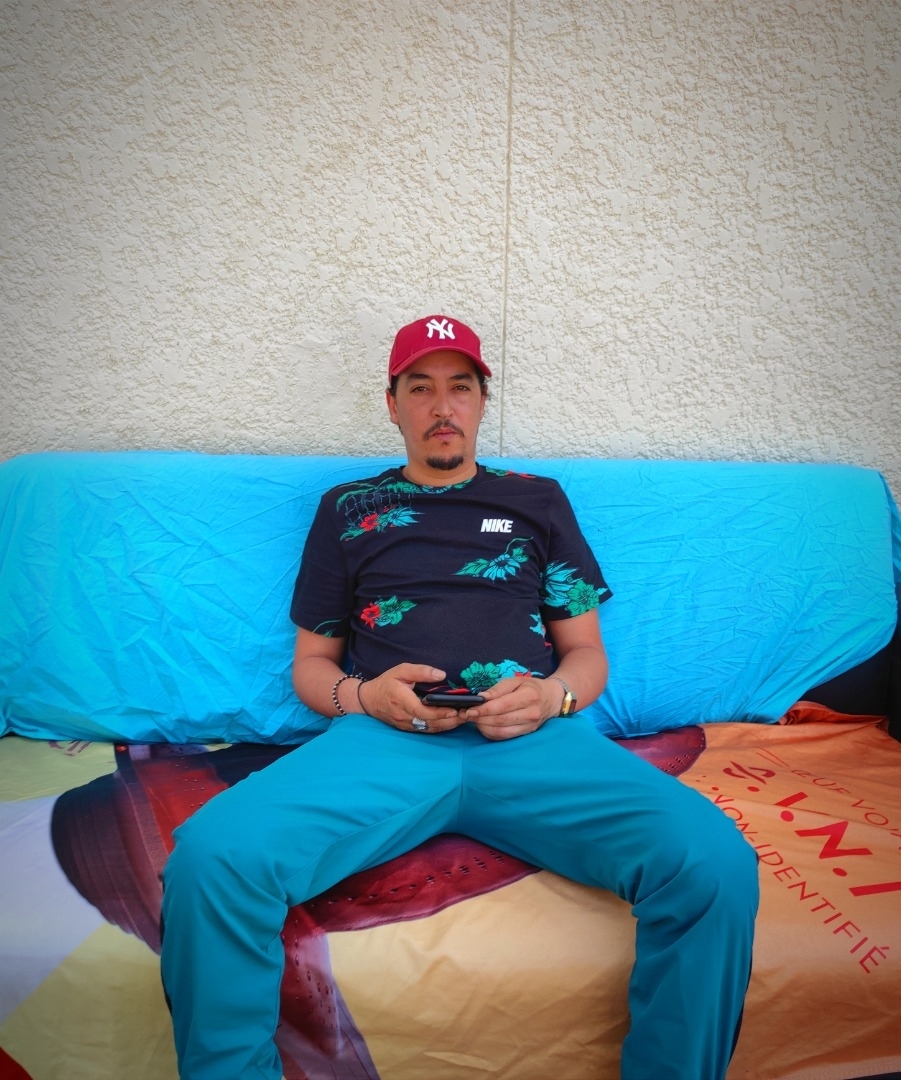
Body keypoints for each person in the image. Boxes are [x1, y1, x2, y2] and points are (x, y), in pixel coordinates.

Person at [160, 314, 759, 1080]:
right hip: (386, 741)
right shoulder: (347, 508)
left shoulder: (537, 500)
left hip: (534, 742)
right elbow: (311, 665)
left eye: (460, 387)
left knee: (714, 863)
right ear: (392, 404)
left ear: (481, 401)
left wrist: (550, 699)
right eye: (420, 388)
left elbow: (585, 654)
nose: (441, 406)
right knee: (210, 860)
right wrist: (364, 697)